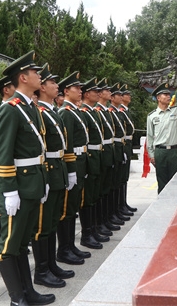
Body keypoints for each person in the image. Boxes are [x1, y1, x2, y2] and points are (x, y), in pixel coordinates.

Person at [0, 51, 55, 306]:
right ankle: (17, 298)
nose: (40, 76)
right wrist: (9, 190)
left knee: (21, 244)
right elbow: (3, 154)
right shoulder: (10, 110)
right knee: (8, 245)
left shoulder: (31, 108)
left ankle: (28, 292)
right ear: (23, 77)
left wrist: (44, 179)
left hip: (33, 183)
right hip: (18, 186)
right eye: (35, 73)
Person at [31, 63, 75, 287]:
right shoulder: (39, 112)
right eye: (52, 83)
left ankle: (50, 264)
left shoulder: (52, 112)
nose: (56, 86)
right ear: (42, 88)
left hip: (58, 169)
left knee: (51, 221)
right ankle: (41, 270)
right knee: (42, 224)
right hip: (48, 170)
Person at [56, 71, 91, 265]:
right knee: (67, 208)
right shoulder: (65, 113)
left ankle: (70, 246)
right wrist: (70, 169)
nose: (80, 91)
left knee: (73, 205)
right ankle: (64, 248)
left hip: (80, 160)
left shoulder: (75, 111)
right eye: (76, 88)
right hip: (73, 161)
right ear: (66, 91)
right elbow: (67, 143)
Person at [79, 78, 109, 248]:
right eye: (94, 91)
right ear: (87, 94)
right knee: (88, 198)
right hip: (89, 157)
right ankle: (87, 233)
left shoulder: (92, 112)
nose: (98, 94)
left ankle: (95, 228)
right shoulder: (83, 112)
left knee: (95, 195)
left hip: (97, 156)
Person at [0, 74, 15, 241]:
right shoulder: (0, 112)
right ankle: (3, 241)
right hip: (2, 165)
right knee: (3, 208)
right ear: (6, 90)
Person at [95, 78, 120, 233]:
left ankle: (107, 217)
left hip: (110, 150)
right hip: (100, 153)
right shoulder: (97, 111)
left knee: (109, 187)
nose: (110, 93)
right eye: (107, 91)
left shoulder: (105, 112)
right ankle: (99, 223)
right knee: (100, 191)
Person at [107, 84, 130, 224]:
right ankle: (112, 212)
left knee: (121, 179)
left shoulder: (119, 112)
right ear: (112, 98)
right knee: (112, 183)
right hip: (114, 148)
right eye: (119, 95)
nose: (122, 97)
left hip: (122, 146)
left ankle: (120, 206)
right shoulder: (110, 112)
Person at [118, 84, 137, 214]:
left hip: (127, 144)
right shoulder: (120, 112)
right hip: (123, 145)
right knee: (120, 178)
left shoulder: (126, 111)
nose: (128, 97)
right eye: (126, 95)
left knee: (124, 177)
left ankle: (123, 203)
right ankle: (120, 205)